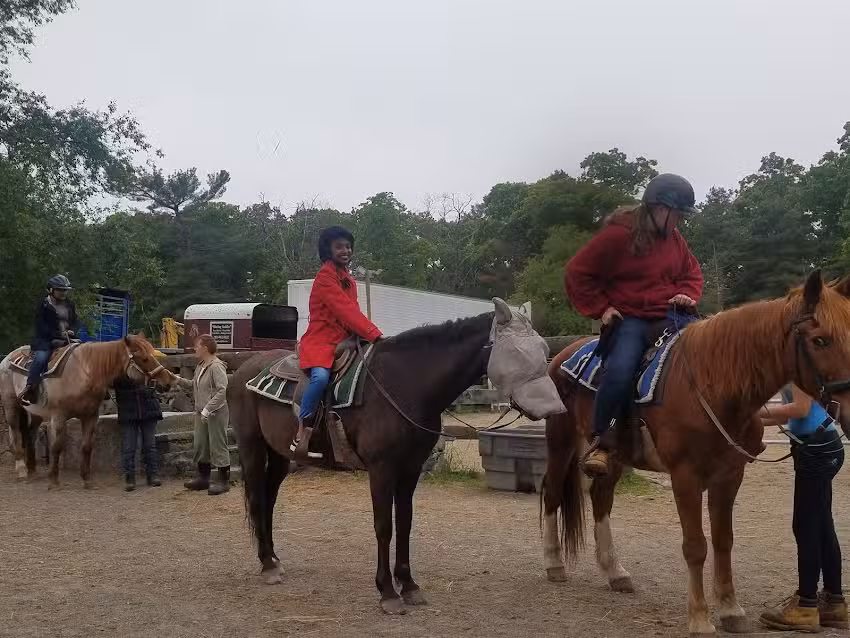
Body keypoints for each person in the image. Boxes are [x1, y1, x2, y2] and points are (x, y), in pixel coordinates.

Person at [564, 173, 703, 477]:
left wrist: (686, 294)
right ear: (659, 209)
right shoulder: (616, 237)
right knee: (620, 370)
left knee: (711, 353)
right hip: (633, 319)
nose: (679, 221)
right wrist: (602, 308)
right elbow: (577, 272)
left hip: (672, 315)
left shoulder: (675, 239)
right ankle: (603, 441)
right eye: (677, 214)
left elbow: (692, 273)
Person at [758, 384, 847, 632]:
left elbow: (800, 408)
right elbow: (789, 415)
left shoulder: (798, 372)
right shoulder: (795, 371)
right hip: (820, 445)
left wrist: (754, 412)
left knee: (806, 527)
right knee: (822, 526)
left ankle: (806, 605)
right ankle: (834, 602)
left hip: (816, 449)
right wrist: (750, 418)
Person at [292, 226, 383, 461]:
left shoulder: (348, 280)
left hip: (344, 340)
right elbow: (344, 311)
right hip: (321, 340)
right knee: (320, 378)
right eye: (339, 246)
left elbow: (354, 311)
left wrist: (364, 336)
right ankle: (303, 430)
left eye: (348, 246)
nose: (346, 250)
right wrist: (375, 334)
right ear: (328, 250)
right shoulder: (325, 278)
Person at [171, 335, 231, 495]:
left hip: (216, 413)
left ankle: (223, 481)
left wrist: (208, 408)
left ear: (205, 348)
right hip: (201, 412)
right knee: (201, 444)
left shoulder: (216, 367)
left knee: (218, 444)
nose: (195, 349)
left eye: (197, 346)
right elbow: (194, 385)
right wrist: (177, 380)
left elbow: (222, 391)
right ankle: (203, 478)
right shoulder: (201, 366)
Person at [19, 274, 82, 406]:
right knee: (41, 358)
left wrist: (73, 330)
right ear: (50, 290)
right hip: (46, 340)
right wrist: (59, 334)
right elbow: (42, 327)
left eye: (65, 290)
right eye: (60, 289)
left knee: (86, 352)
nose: (63, 292)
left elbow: (76, 321)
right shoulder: (43, 305)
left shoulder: (70, 304)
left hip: (68, 339)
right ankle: (30, 388)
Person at [114, 350, 167, 491]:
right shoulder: (119, 370)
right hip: (128, 412)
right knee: (129, 447)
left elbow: (160, 384)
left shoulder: (147, 363)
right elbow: (113, 386)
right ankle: (130, 478)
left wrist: (152, 388)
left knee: (150, 445)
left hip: (148, 410)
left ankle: (153, 475)